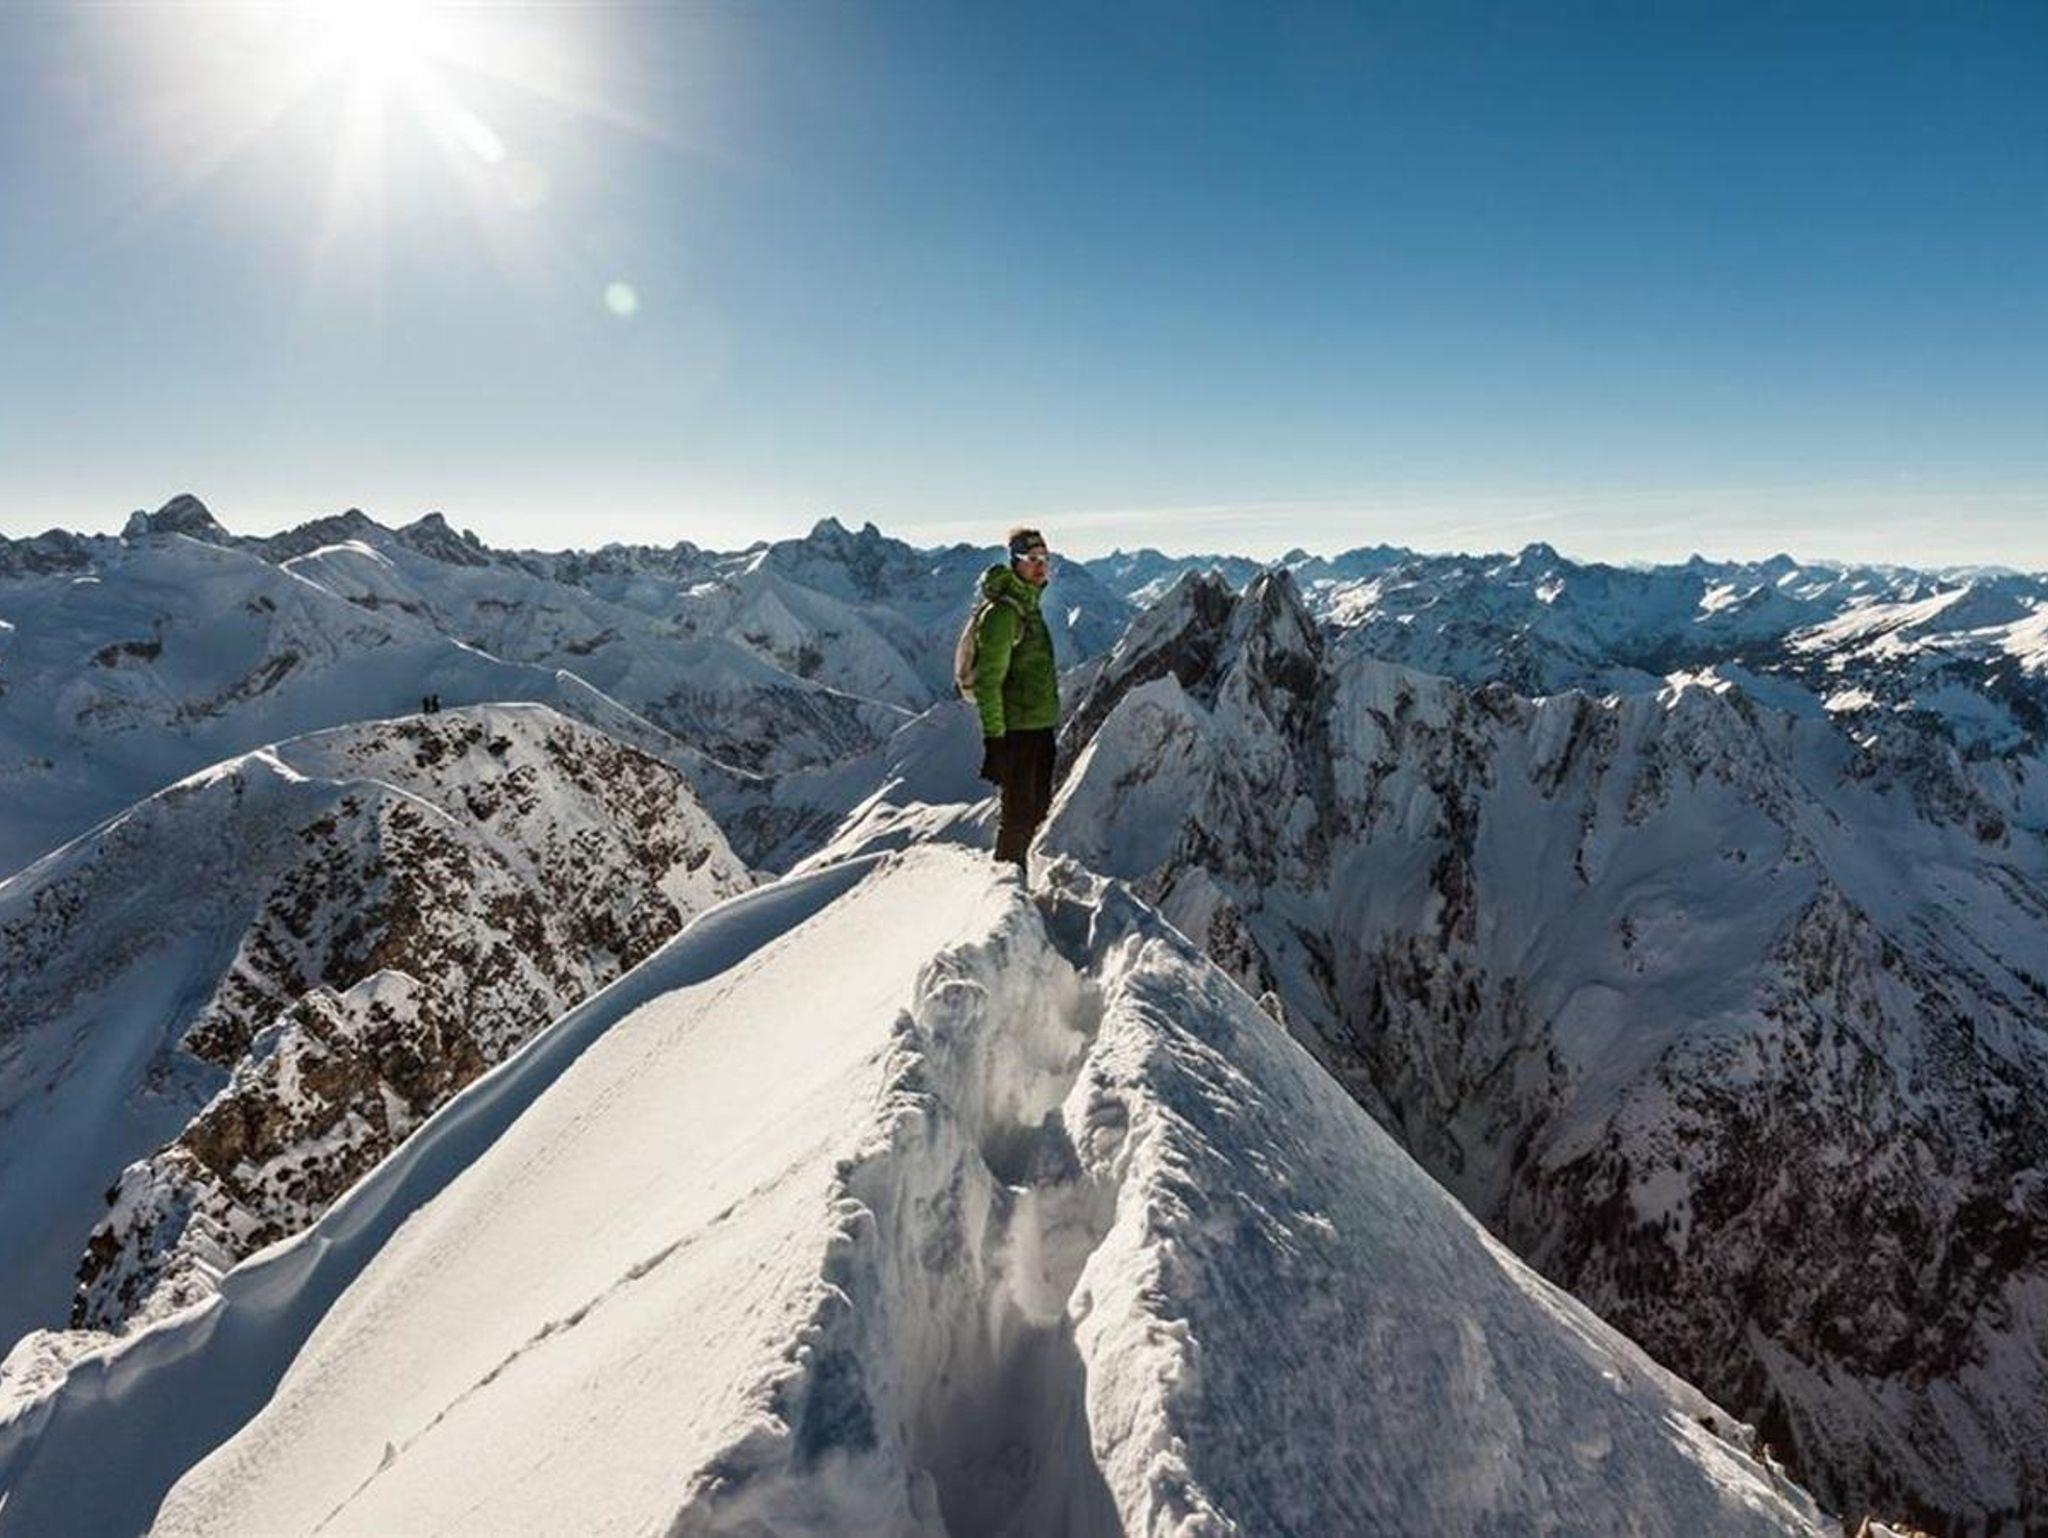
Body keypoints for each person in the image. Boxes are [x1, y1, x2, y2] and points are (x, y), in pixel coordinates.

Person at [971, 527, 1059, 881]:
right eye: (1031, 558)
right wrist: (995, 739)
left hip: (1040, 725)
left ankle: (1014, 882)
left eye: (1044, 559)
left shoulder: (1030, 607)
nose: (1040, 566)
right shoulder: (1003, 614)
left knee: (1035, 811)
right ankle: (1004, 889)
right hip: (1018, 731)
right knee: (1018, 816)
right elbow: (988, 681)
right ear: (1014, 562)